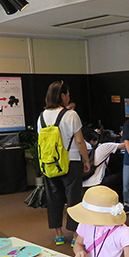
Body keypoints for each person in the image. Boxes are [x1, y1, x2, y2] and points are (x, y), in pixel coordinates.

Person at [38, 81, 90, 246]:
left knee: (53, 198)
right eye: (68, 95)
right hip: (71, 161)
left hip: (50, 163)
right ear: (62, 96)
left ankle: (58, 235)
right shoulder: (71, 115)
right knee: (73, 199)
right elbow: (80, 141)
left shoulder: (41, 117)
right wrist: (86, 159)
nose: (69, 98)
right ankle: (75, 235)